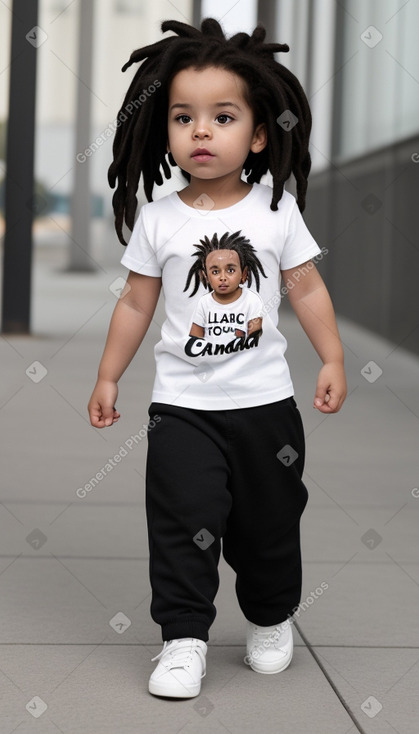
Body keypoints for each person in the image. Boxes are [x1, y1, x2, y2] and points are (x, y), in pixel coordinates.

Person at [88, 18, 347, 699]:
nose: (200, 131)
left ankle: (268, 616)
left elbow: (306, 286)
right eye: (182, 117)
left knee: (268, 526)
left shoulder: (275, 210)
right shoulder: (159, 219)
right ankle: (182, 639)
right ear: (163, 130)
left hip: (265, 411)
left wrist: (332, 358)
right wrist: (110, 374)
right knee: (182, 522)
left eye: (221, 116)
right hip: (183, 410)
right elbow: (138, 304)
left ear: (258, 135)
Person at [186, 230, 264, 342]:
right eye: (215, 272)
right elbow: (195, 338)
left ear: (244, 274)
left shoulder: (252, 300)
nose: (223, 277)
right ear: (205, 276)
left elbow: (254, 337)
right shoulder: (204, 303)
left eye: (230, 270)